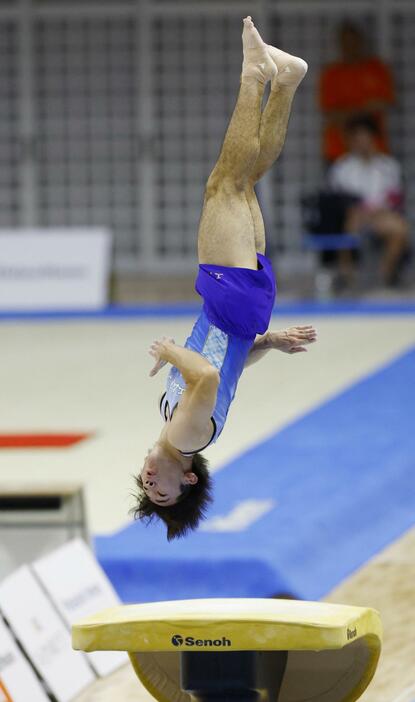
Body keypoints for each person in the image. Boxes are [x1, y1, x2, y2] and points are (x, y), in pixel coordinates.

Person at [132, 17, 316, 540]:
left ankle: (286, 81)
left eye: (146, 489)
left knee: (246, 180)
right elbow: (206, 377)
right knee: (224, 185)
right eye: (163, 491)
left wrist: (267, 344)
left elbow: (225, 372)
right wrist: (170, 353)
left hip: (242, 313)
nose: (150, 481)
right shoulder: (185, 435)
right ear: (187, 480)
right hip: (227, 305)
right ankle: (255, 74)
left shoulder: (187, 433)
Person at [329, 114, 409, 286]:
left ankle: (384, 275)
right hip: (355, 216)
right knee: (350, 224)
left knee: (400, 228)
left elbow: (395, 198)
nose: (362, 142)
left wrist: (381, 210)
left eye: (366, 137)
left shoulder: (388, 165)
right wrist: (358, 210)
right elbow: (338, 200)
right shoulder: (342, 167)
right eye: (358, 138)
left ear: (374, 138)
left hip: (381, 215)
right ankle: (347, 275)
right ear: (351, 141)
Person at [319, 21, 395, 163]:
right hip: (339, 151)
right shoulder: (331, 74)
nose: (350, 46)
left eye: (353, 41)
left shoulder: (376, 69)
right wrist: (364, 109)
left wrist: (348, 112)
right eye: (346, 42)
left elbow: (384, 103)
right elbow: (331, 114)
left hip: (375, 150)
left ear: (361, 42)